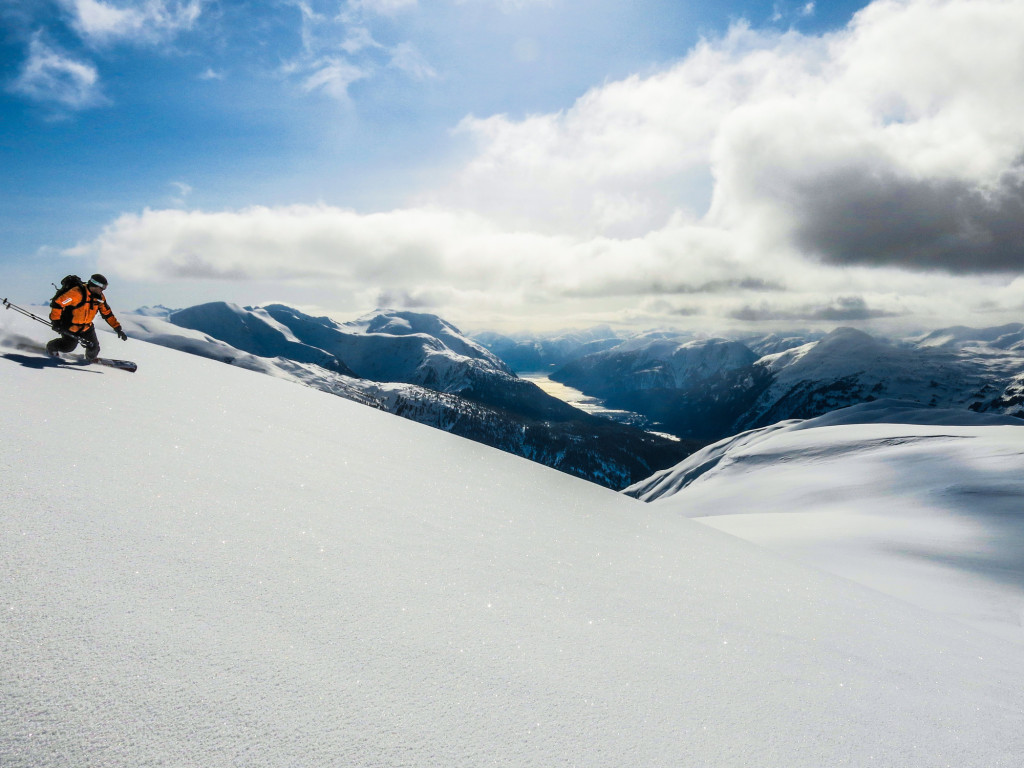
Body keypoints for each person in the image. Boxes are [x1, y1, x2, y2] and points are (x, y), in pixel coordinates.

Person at [47, 273, 128, 361]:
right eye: (102, 288)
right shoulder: (76, 293)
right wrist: (56, 322)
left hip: (86, 327)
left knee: (94, 347)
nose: (103, 290)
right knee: (68, 347)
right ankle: (52, 346)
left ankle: (90, 360)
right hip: (70, 326)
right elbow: (58, 303)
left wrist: (117, 328)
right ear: (95, 285)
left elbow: (107, 313)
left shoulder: (99, 297)